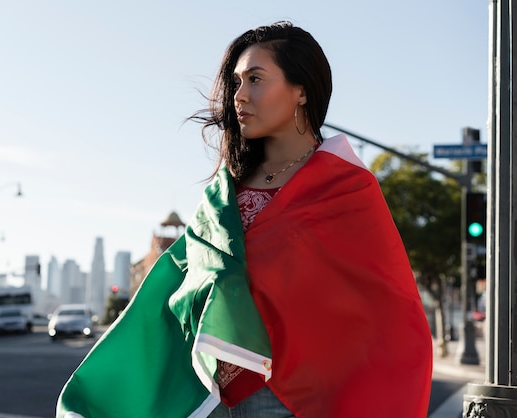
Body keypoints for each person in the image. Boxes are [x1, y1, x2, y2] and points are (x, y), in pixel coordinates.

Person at [56, 22, 433, 418]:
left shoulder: (347, 189)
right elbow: (175, 286)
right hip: (208, 392)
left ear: (301, 90)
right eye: (236, 82)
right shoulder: (224, 195)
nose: (239, 96)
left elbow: (389, 313)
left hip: (299, 396)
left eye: (255, 79)